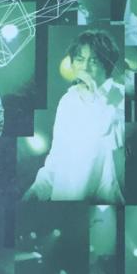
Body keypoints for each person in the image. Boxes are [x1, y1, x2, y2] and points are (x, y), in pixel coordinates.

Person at [24, 31, 124, 202]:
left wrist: (97, 97)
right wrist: (37, 190)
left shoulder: (121, 96)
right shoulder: (67, 100)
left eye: (93, 61)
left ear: (106, 64)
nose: (85, 67)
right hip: (65, 198)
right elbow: (57, 156)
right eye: (79, 59)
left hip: (104, 200)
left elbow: (112, 138)